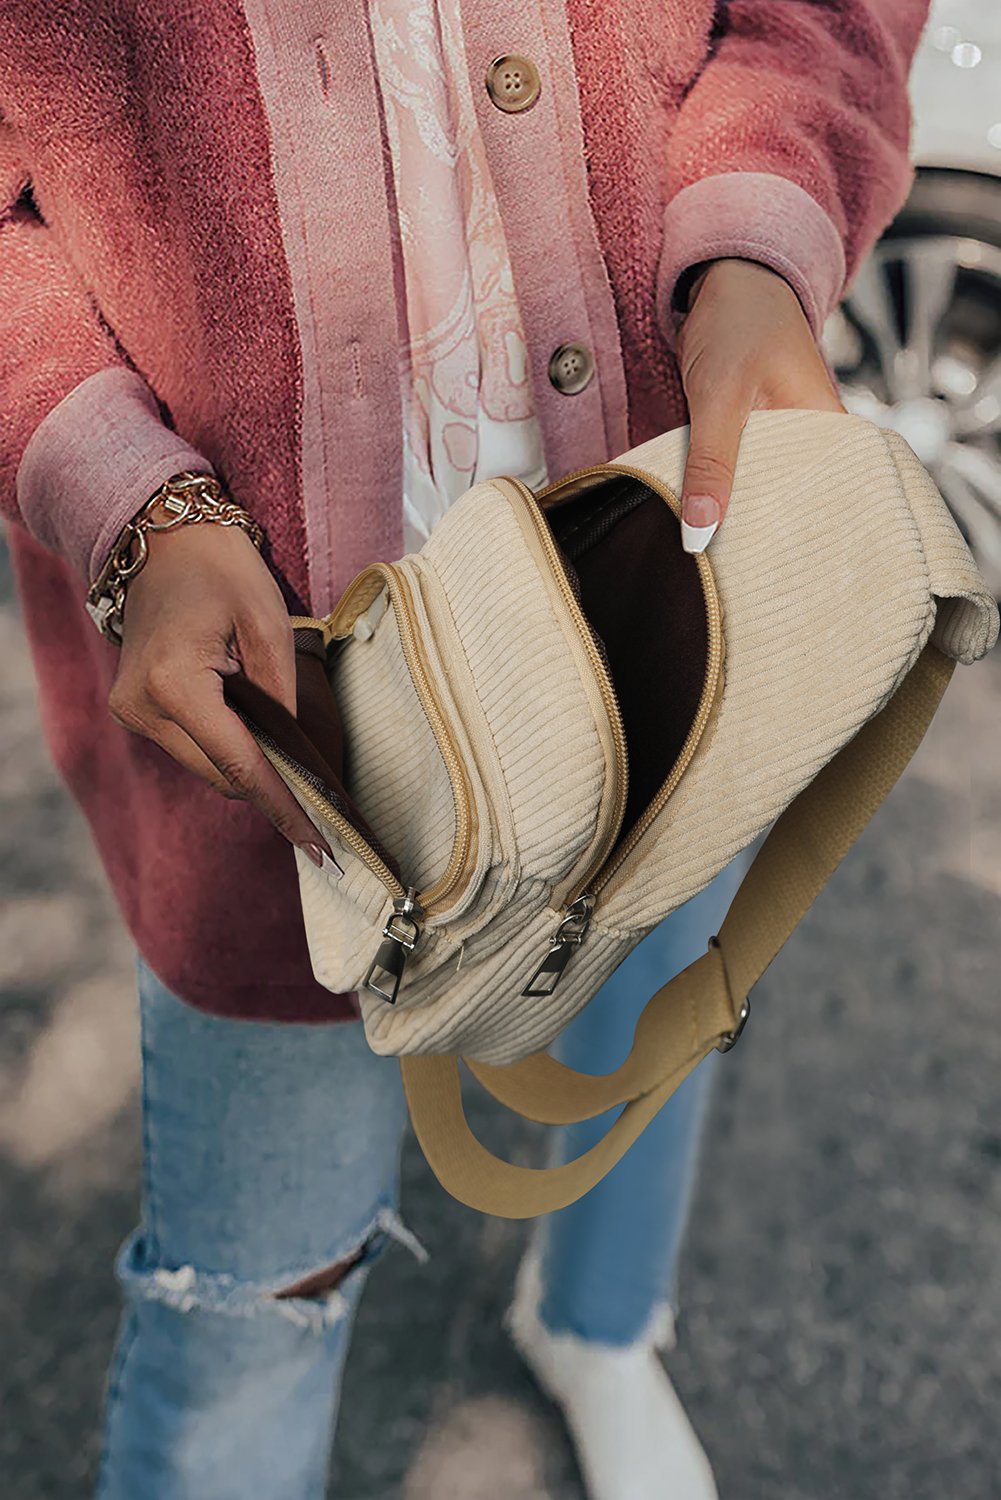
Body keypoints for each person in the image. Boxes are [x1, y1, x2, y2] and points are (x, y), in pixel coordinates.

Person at [0, 2, 931, 1495]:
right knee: (251, 1311)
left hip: (667, 584)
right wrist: (128, 497)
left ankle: (601, 1324)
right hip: (278, 731)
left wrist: (759, 237)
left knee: (658, 997)